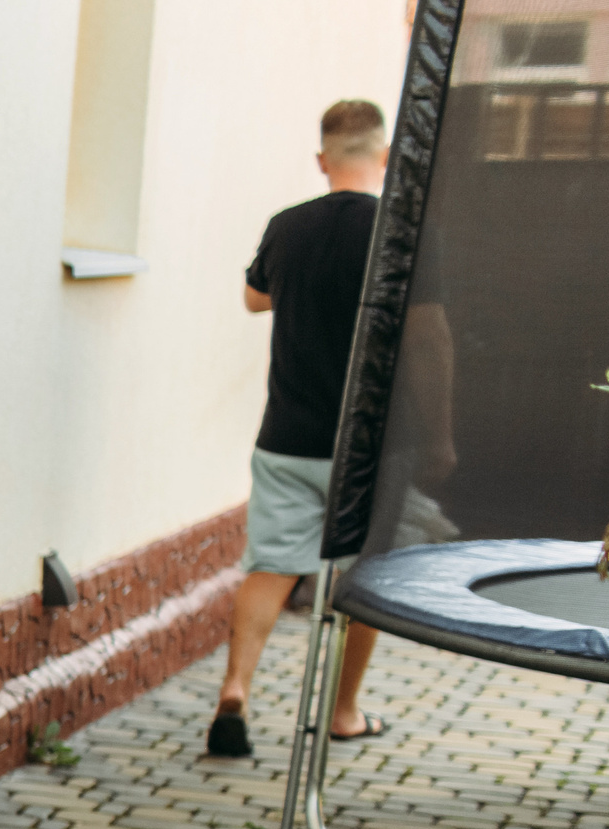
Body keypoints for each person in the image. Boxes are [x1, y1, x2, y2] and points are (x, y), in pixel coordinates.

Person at [211, 99, 391, 758]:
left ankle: (234, 692)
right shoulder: (397, 229)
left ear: (322, 160)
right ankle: (342, 712)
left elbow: (255, 296)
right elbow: (429, 330)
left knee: (270, 567)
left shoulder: (286, 227)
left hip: (284, 434)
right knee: (364, 579)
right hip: (364, 444)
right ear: (385, 155)